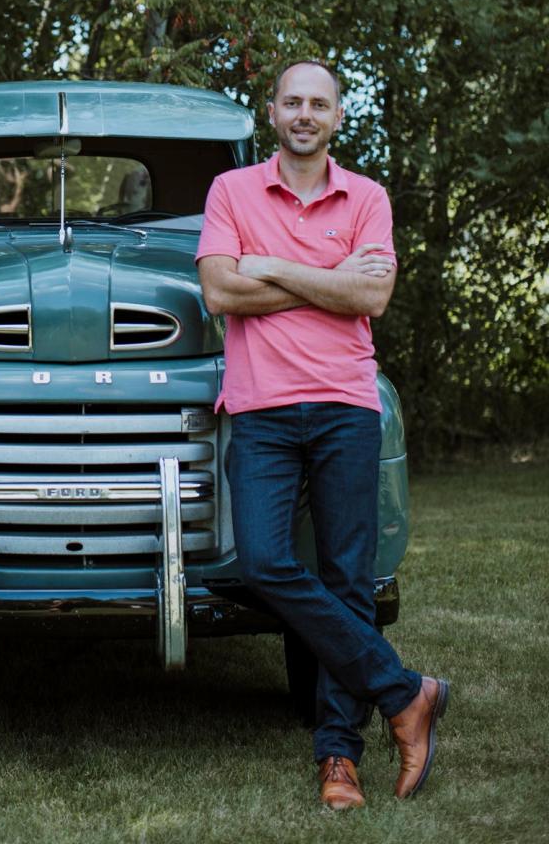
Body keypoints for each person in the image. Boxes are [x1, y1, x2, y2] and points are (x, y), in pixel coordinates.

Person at [196, 60, 449, 809]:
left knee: (347, 578)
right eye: (292, 101)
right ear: (271, 112)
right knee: (266, 563)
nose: (305, 113)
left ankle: (338, 756)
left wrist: (268, 265)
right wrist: (324, 276)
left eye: (319, 103)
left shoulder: (366, 197)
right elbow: (218, 290)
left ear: (337, 117)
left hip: (345, 403)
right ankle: (406, 692)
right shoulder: (231, 190)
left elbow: (370, 293)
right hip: (261, 407)